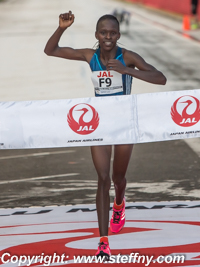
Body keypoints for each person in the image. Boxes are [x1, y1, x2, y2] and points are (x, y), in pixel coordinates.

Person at [44, 11, 167, 259]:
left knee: (117, 178)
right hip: (98, 124)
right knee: (102, 178)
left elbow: (160, 78)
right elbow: (51, 50)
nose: (108, 37)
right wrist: (61, 28)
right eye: (103, 33)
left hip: (123, 124)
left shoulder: (128, 57)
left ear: (118, 35)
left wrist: (127, 70)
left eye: (112, 33)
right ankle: (103, 241)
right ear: (97, 35)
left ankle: (119, 203)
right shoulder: (90, 56)